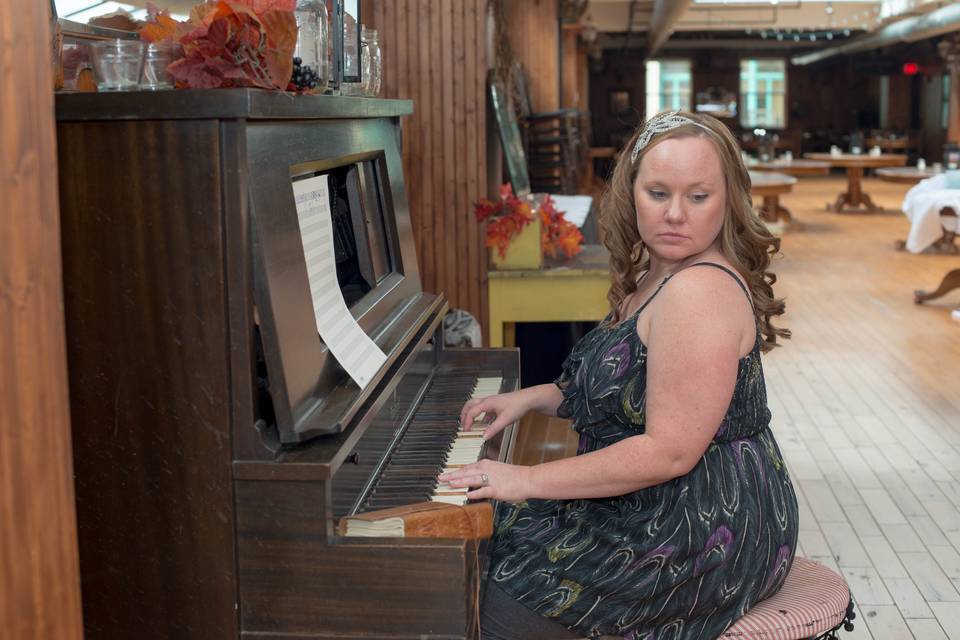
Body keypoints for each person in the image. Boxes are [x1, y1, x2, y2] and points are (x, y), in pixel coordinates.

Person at [440, 110, 799, 639]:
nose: (675, 214)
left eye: (698, 197)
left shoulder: (699, 292)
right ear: (631, 192)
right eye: (658, 193)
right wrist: (534, 398)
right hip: (659, 499)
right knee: (488, 541)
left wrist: (526, 479)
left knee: (494, 594)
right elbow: (625, 382)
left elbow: (669, 451)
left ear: (728, 201)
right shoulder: (658, 270)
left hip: (702, 525)